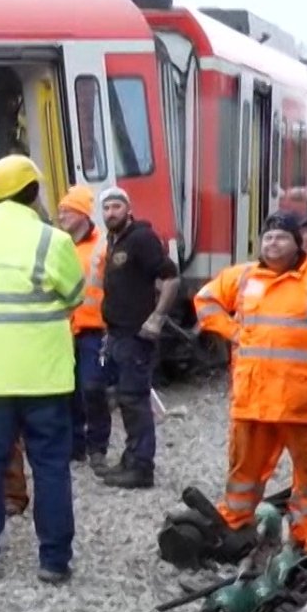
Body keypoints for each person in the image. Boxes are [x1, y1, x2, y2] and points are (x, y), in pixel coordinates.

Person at [192, 210, 307, 558]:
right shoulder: (242, 277)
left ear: (298, 243)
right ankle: (234, 527)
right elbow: (205, 301)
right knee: (244, 472)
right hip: (253, 400)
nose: (273, 243)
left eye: (282, 237)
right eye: (268, 237)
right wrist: (233, 332)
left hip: (301, 402)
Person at [0, 155, 87, 584]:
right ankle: (53, 561)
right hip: (42, 376)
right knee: (49, 465)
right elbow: (74, 294)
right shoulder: (54, 241)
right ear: (33, 192)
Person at [94, 186, 178, 490]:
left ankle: (142, 467)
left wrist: (157, 318)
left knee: (135, 400)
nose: (110, 213)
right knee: (127, 401)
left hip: (135, 335)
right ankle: (131, 459)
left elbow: (170, 277)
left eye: (116, 207)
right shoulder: (114, 240)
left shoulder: (141, 238)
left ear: (128, 210)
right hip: (117, 333)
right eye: (106, 208)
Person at [56, 185, 110, 466]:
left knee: (92, 386)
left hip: (94, 328)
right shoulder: (58, 244)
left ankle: (98, 446)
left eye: (67, 210)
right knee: (69, 389)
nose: (61, 214)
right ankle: (75, 445)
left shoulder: (102, 245)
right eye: (61, 210)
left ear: (82, 214)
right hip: (64, 329)